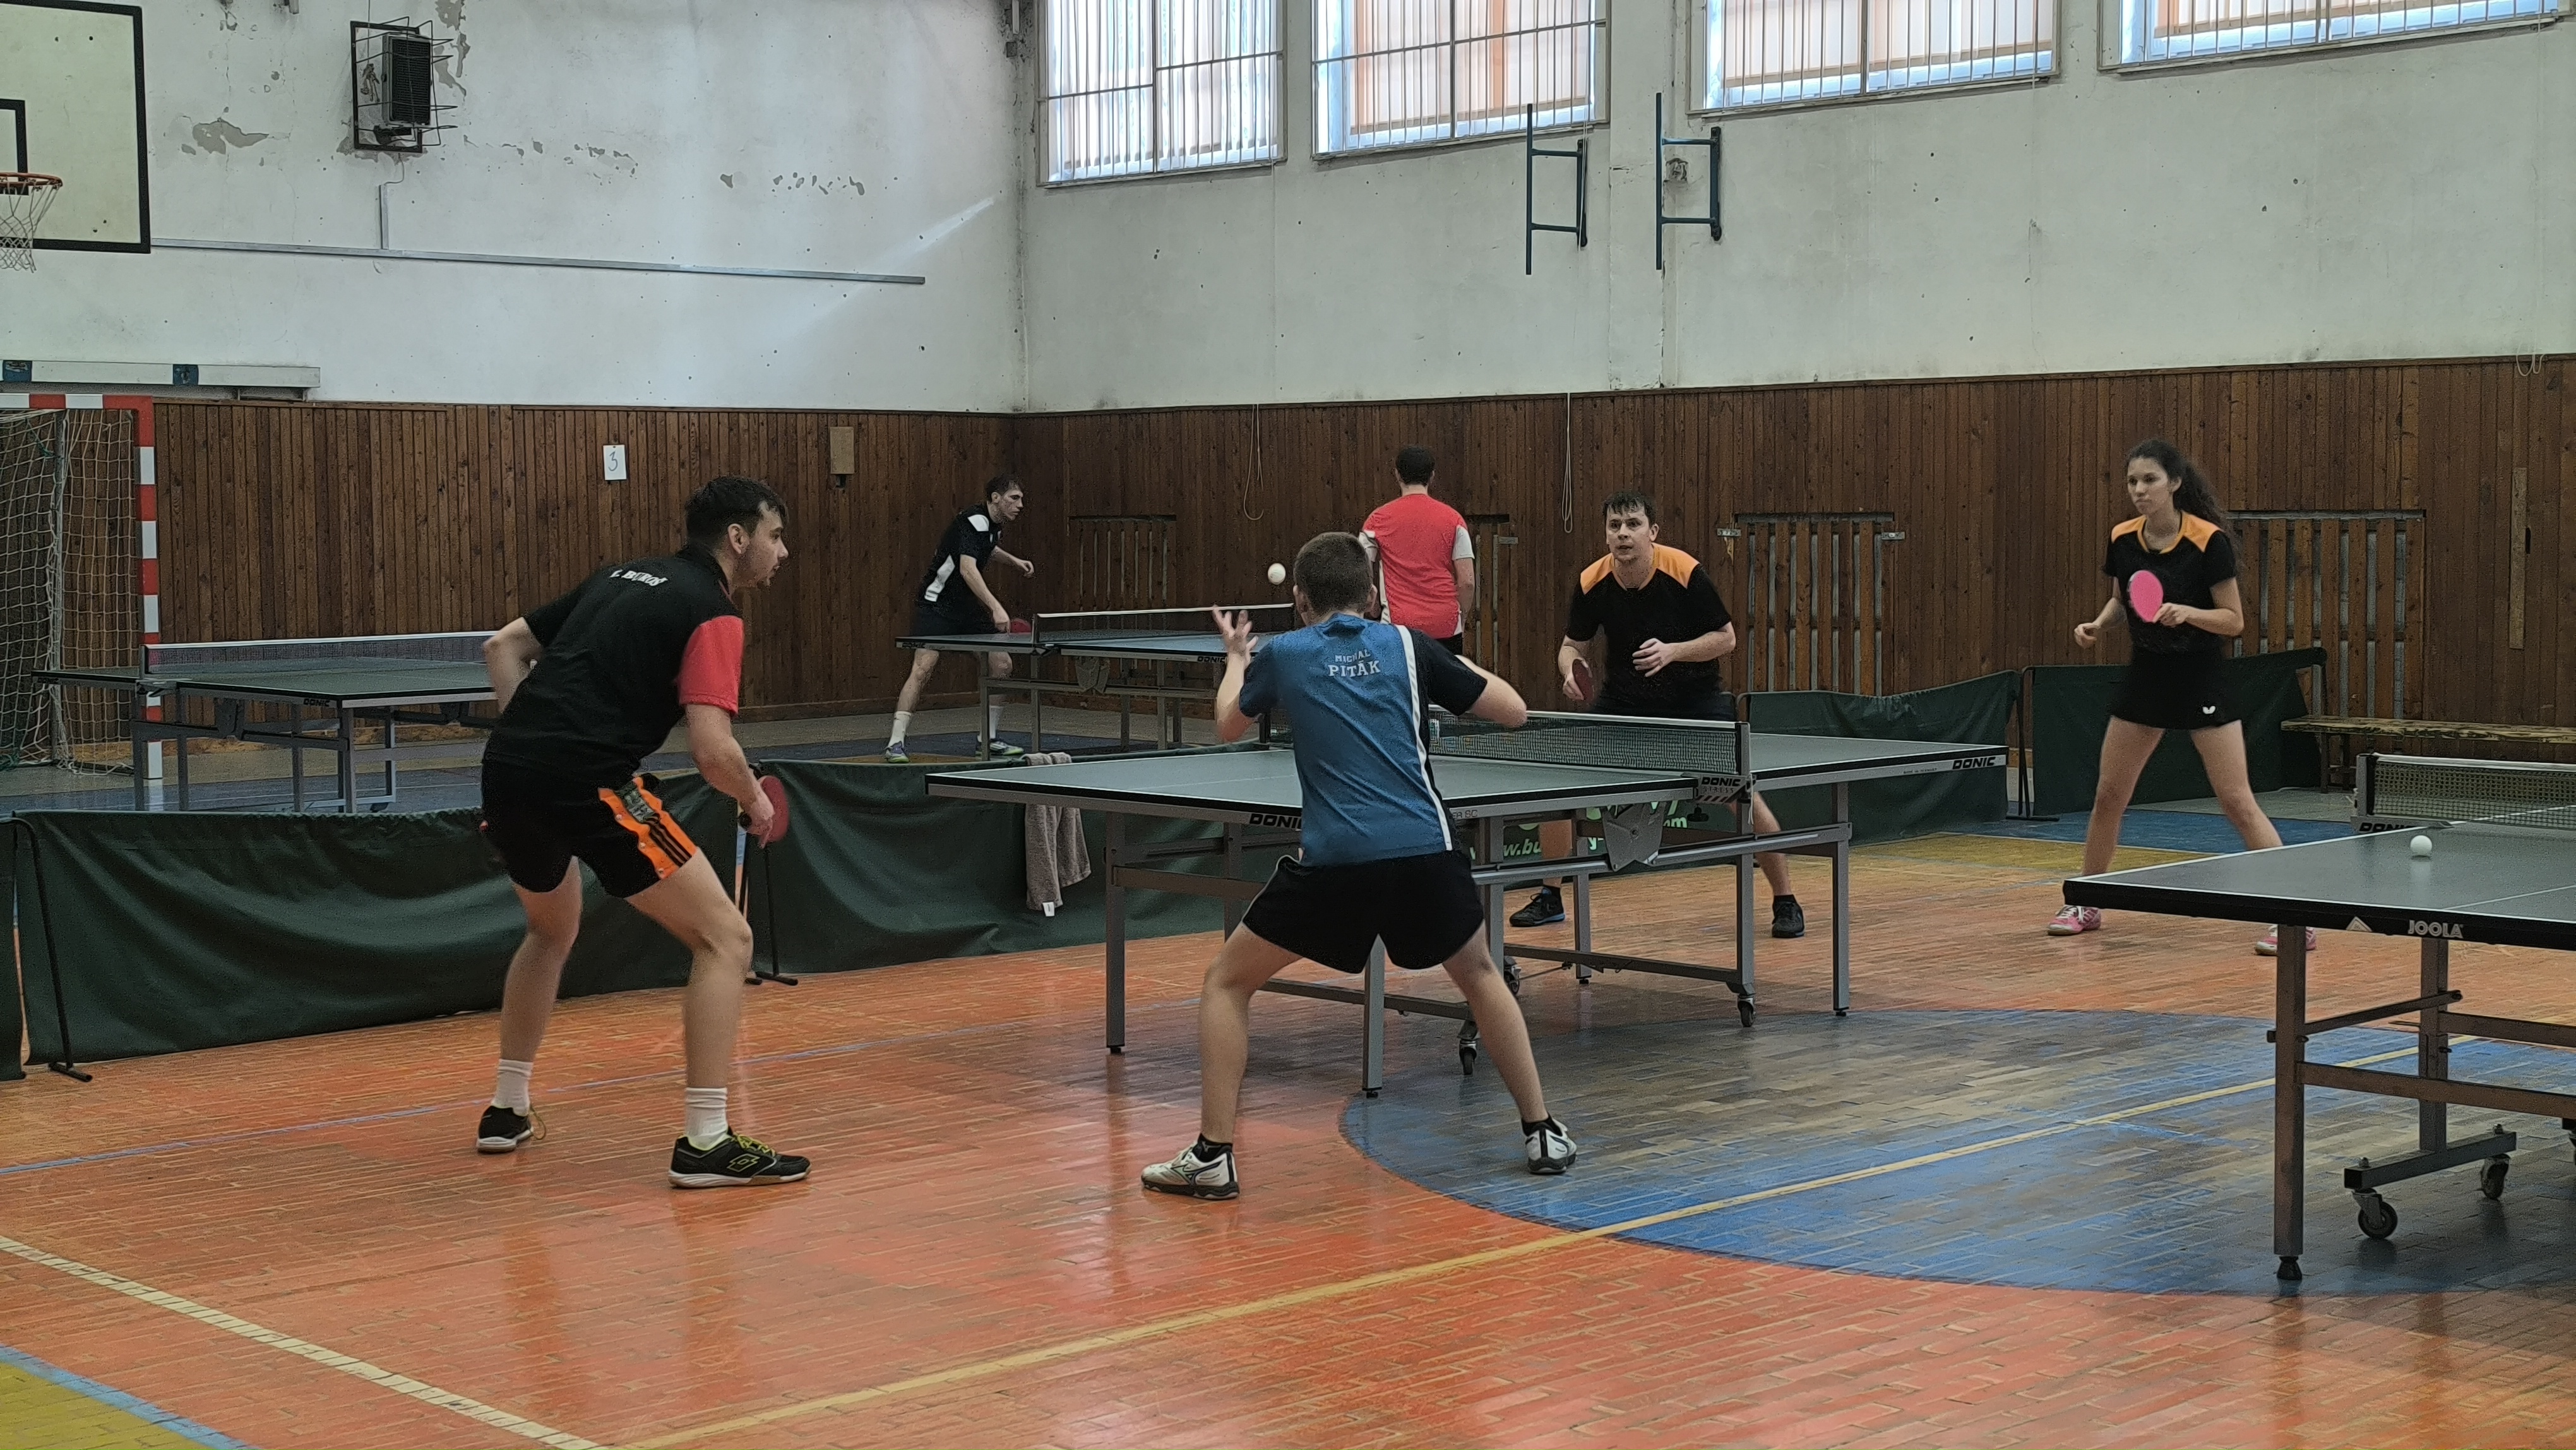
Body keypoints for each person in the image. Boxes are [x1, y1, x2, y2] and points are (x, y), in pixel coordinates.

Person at [1140, 532, 1576, 1200]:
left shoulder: (1283, 654)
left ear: (1299, 600)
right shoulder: (1409, 645)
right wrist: (1441, 664)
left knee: (1227, 982)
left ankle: (1214, 1156)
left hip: (1338, 862)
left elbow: (1227, 723)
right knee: (1481, 975)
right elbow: (1513, 710)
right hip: (1426, 850)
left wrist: (1236, 658)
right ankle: (1541, 1130)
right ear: (1373, 596)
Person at [474, 475, 811, 1187]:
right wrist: (756, 799)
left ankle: (507, 1107)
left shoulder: (620, 576)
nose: (783, 552)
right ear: (738, 539)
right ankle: (707, 1142)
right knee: (728, 939)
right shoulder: (713, 612)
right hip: (587, 780)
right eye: (776, 535)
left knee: (550, 930)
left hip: (507, 770)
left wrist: (532, 740)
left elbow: (502, 646)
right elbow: (713, 752)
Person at [2052, 438, 2310, 957]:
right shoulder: (2123, 538)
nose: (2139, 490)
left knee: (2236, 801)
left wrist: (2188, 613)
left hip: (2200, 677)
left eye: (2149, 480)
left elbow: (2233, 621)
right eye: (2132, 481)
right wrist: (2098, 623)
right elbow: (2123, 598)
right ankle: (2086, 901)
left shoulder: (2208, 541)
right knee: (2109, 795)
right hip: (2147, 675)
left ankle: (2295, 919)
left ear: (2174, 483)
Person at [1509, 493, 1803, 938]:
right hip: (1625, 705)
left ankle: (1785, 899)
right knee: (1560, 788)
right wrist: (1570, 669)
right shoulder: (1592, 581)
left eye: (1633, 524)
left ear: (1653, 532)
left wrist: (1673, 652)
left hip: (1694, 703)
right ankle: (1551, 895)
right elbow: (1572, 645)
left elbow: (1726, 638)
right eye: (1615, 526)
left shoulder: (1684, 572)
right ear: (1606, 534)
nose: (1623, 534)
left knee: (1739, 793)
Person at [886, 474, 1034, 762]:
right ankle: (895, 743)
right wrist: (996, 607)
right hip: (937, 604)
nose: (1020, 505)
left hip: (965, 607)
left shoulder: (993, 525)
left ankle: (988, 739)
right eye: (1014, 498)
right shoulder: (972, 521)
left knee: (1002, 664)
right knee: (923, 669)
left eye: (1021, 499)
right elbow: (968, 569)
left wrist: (1013, 561)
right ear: (995, 498)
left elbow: (986, 547)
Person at [1361, 444, 1476, 653]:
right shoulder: (1454, 520)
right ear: (1432, 476)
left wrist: (1373, 605)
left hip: (1398, 628)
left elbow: (1360, 567)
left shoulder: (1376, 521)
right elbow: (1467, 582)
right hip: (1446, 625)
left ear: (1397, 475)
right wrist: (1461, 616)